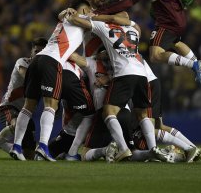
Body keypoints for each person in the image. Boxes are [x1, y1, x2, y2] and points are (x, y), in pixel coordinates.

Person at [67, 10, 168, 162]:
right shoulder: (135, 28)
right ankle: (152, 149)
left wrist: (86, 16)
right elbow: (123, 19)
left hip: (124, 74)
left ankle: (123, 149)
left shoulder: (104, 27)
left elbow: (77, 21)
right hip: (141, 74)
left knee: (108, 112)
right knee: (142, 115)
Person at [9, 0, 88, 162]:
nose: (89, 12)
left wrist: (67, 11)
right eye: (86, 9)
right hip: (52, 61)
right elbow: (98, 19)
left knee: (28, 106)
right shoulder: (81, 19)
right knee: (51, 105)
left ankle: (17, 147)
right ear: (81, 10)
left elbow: (61, 14)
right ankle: (43, 147)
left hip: (37, 60)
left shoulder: (66, 18)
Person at [0, 37, 48, 160]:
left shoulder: (44, 71)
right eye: (36, 51)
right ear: (31, 52)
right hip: (9, 106)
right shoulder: (23, 62)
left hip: (26, 111)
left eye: (42, 52)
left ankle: (1, 144)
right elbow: (26, 77)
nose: (38, 54)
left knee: (28, 156)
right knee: (16, 124)